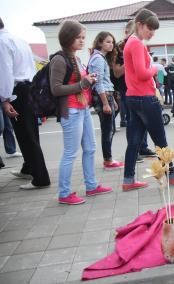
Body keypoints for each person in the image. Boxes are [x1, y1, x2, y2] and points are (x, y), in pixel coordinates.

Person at [123, 9, 174, 190]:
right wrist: (156, 67)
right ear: (139, 25)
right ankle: (172, 175)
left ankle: (128, 180)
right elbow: (143, 73)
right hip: (145, 98)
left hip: (133, 97)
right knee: (161, 140)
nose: (152, 32)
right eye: (150, 28)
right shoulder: (137, 44)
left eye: (154, 29)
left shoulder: (130, 42)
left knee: (134, 142)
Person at [50, 20, 113, 204]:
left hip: (83, 108)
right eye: (78, 37)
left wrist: (88, 80)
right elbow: (56, 89)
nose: (82, 40)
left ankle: (91, 186)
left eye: (83, 37)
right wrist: (83, 83)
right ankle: (64, 193)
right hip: (71, 111)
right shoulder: (59, 59)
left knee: (90, 148)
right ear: (68, 37)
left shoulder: (76, 58)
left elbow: (80, 83)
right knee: (70, 153)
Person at [0, 17, 51, 189]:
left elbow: (5, 72)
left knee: (25, 136)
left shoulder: (1, 42)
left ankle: (40, 178)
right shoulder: (19, 40)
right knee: (31, 133)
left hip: (16, 92)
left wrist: (5, 99)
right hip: (28, 87)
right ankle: (28, 168)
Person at [88, 31, 124, 170]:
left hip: (108, 95)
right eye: (108, 42)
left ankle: (108, 159)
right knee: (107, 130)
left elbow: (105, 82)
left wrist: (112, 100)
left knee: (110, 129)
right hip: (102, 96)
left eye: (112, 42)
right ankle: (108, 160)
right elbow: (98, 83)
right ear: (100, 42)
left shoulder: (100, 57)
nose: (111, 44)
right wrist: (105, 103)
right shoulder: (97, 58)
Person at [112, 20, 134, 128]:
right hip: (124, 88)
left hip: (136, 87)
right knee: (131, 119)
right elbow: (117, 73)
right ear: (126, 31)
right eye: (134, 32)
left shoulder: (137, 45)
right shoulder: (119, 47)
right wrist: (130, 59)